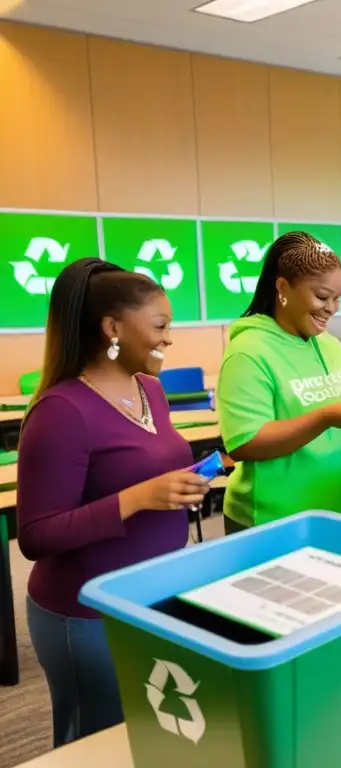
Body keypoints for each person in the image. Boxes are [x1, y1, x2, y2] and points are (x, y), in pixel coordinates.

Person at [17, 259, 210, 747]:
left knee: (145, 735)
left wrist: (183, 484)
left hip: (151, 595)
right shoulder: (61, 412)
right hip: (86, 614)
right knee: (94, 744)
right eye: (161, 326)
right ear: (112, 328)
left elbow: (142, 466)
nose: (170, 339)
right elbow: (37, 535)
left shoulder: (149, 388)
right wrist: (139, 497)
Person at [216, 232, 341, 533]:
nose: (332, 308)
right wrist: (324, 418)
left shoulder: (332, 346)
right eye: (322, 297)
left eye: (337, 299)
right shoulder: (248, 351)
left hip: (338, 512)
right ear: (282, 288)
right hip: (273, 521)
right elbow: (244, 443)